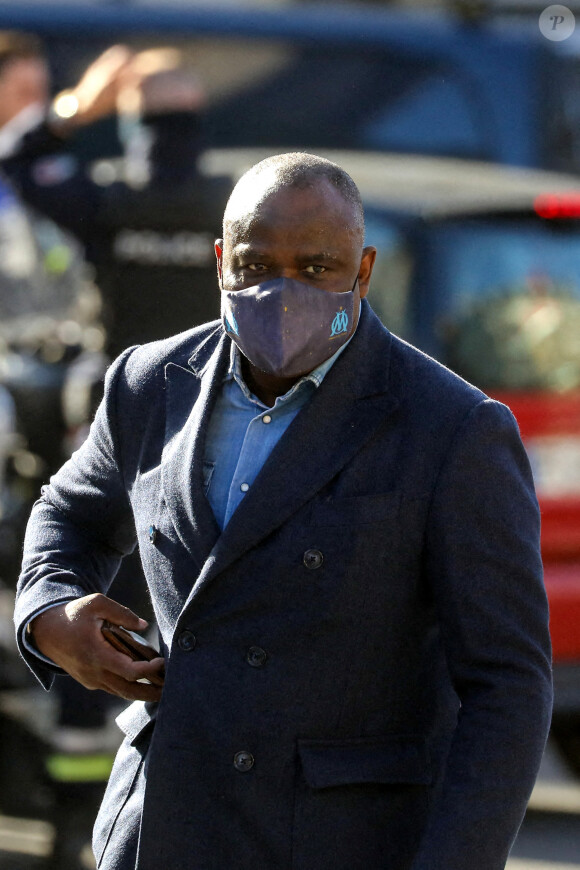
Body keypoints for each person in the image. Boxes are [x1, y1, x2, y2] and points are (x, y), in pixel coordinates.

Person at [15, 152, 552, 870]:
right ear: (219, 263)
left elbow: (507, 686)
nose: (281, 291)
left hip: (339, 842)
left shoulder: (451, 429)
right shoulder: (150, 384)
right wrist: (51, 613)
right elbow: (68, 512)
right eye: (255, 264)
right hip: (166, 825)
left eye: (315, 268)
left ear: (361, 272)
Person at [0, 39, 231, 360]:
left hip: (119, 388)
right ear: (198, 109)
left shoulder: (100, 199)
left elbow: (13, 160)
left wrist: (75, 108)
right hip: (207, 389)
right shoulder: (236, 205)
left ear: (131, 117)